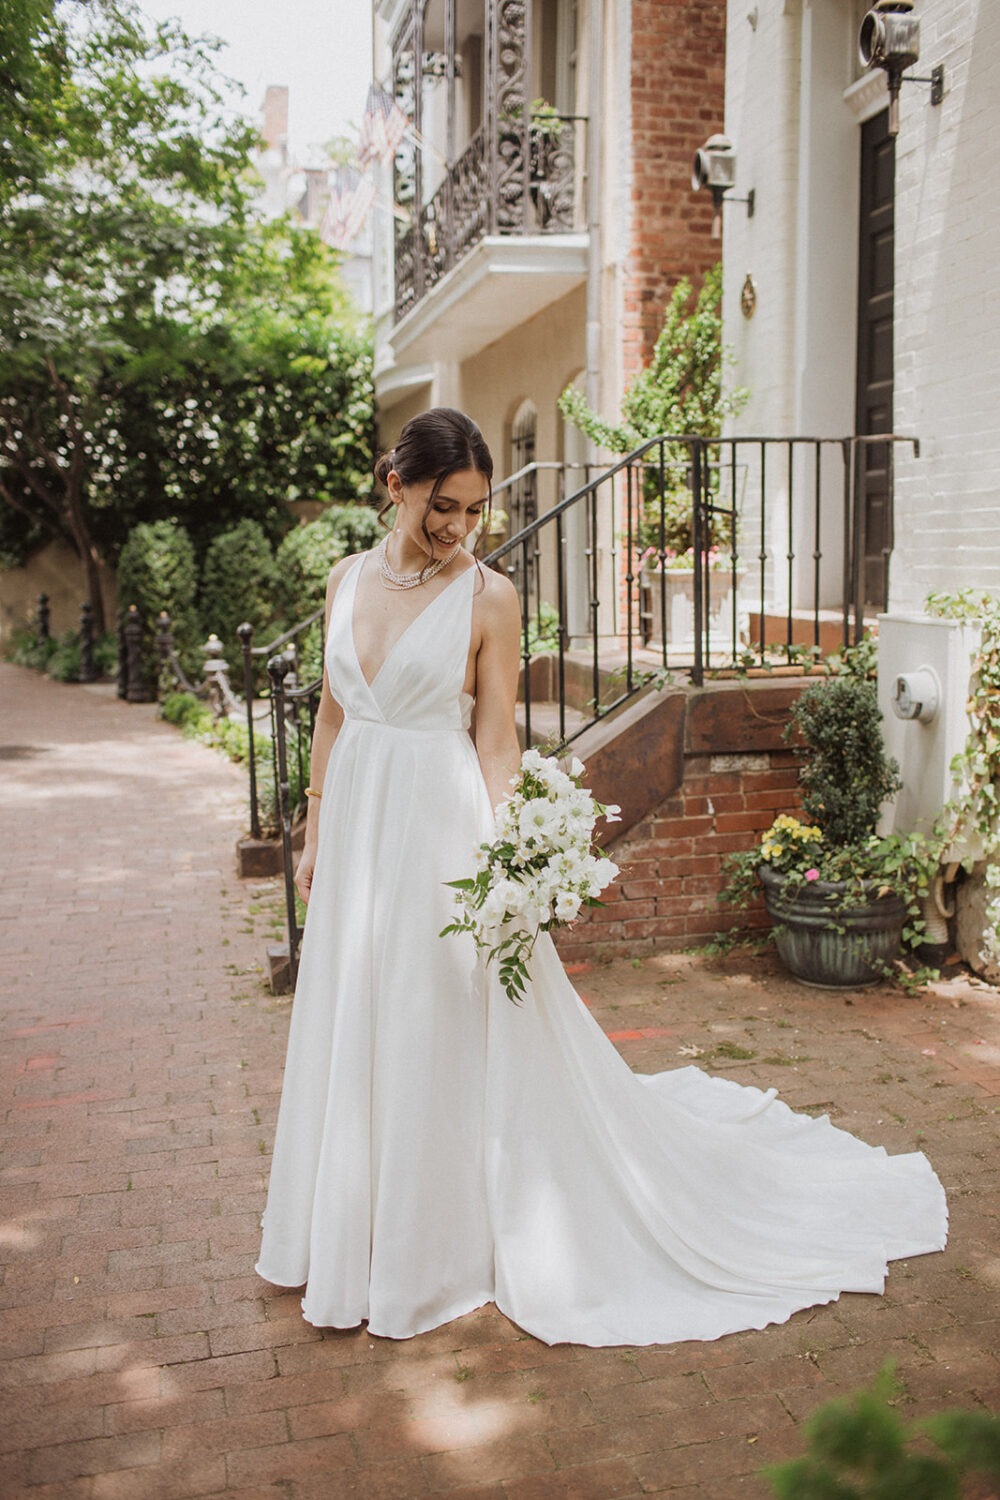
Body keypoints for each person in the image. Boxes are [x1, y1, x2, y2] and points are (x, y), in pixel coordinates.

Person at [256, 406, 947, 1347]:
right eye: (442, 509)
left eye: (476, 509)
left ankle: (438, 1240)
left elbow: (494, 739)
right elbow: (334, 721)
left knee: (432, 1016)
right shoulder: (344, 582)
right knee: (358, 1015)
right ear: (396, 486)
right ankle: (352, 1224)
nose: (461, 528)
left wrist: (516, 860)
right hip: (359, 834)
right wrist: (314, 826)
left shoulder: (487, 597)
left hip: (438, 829)